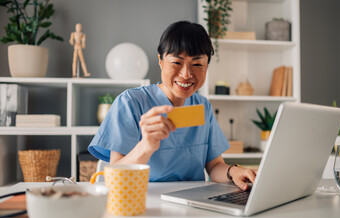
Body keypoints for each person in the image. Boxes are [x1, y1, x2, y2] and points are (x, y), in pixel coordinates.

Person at [88, 21, 256, 190]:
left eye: (197, 64)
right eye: (177, 62)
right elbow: (114, 173)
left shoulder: (202, 106)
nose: (186, 74)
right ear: (160, 60)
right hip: (145, 200)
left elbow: (214, 166)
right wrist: (145, 147)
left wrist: (232, 171)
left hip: (192, 201)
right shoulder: (130, 102)